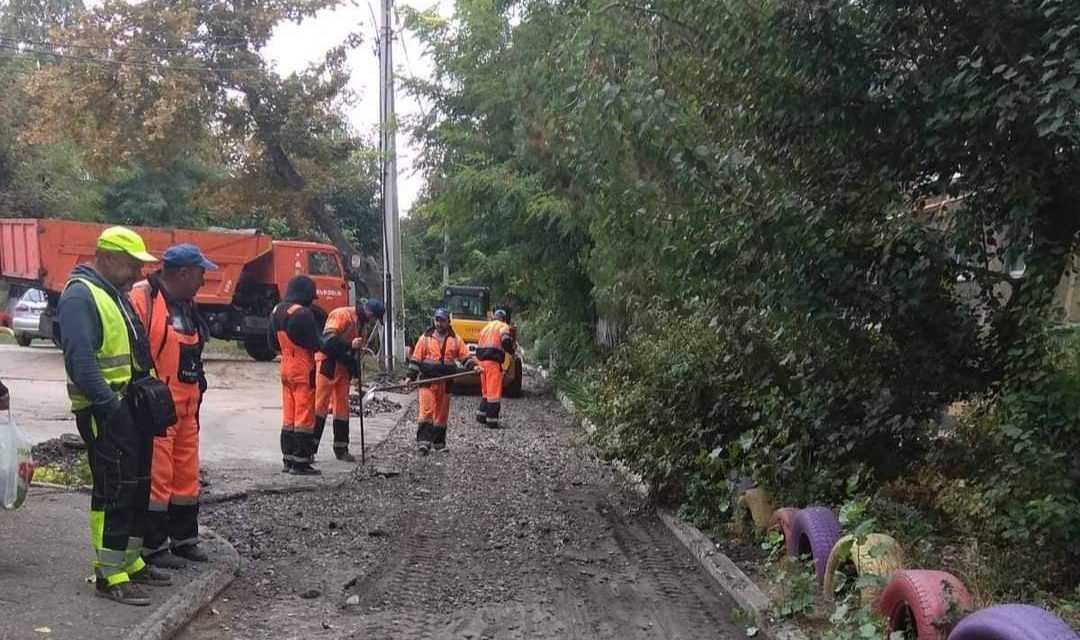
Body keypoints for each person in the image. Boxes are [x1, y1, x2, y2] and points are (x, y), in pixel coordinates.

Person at [57, 226, 170, 606]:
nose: (139, 273)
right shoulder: (80, 296)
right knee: (114, 490)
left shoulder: (113, 294)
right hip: (106, 410)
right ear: (105, 258)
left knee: (136, 485)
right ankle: (110, 574)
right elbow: (81, 361)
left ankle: (131, 560)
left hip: (129, 407)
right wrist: (110, 407)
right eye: (131, 265)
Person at [129, 244, 215, 568]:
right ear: (183, 273)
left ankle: (184, 539)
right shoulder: (144, 299)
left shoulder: (186, 305)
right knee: (158, 478)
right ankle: (153, 546)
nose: (204, 281)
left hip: (187, 409)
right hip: (158, 411)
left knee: (185, 477)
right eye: (201, 273)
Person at [313, 298, 385, 462]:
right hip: (328, 364)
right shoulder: (342, 315)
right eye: (373, 317)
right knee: (320, 406)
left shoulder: (362, 326)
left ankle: (341, 448)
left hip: (343, 368)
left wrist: (356, 372)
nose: (373, 321)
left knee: (342, 408)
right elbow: (327, 341)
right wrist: (349, 345)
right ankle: (309, 449)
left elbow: (355, 353)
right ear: (368, 311)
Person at [269, 276, 322, 475]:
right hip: (302, 366)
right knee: (304, 415)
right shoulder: (303, 314)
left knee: (289, 416)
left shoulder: (276, 311)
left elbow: (272, 344)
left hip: (285, 365)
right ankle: (301, 462)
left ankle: (288, 459)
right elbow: (316, 343)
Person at [405, 308, 476, 454]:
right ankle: (423, 443)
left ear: (448, 322)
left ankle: (438, 443)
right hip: (428, 381)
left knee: (441, 415)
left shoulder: (455, 339)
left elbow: (465, 356)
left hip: (446, 382)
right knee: (427, 411)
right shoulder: (425, 338)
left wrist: (474, 366)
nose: (439, 323)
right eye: (437, 320)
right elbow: (416, 359)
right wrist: (410, 377)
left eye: (442, 320)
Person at [475, 308, 516, 428]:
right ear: (504, 318)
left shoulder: (486, 327)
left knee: (486, 392)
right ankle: (492, 420)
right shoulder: (503, 326)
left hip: (482, 362)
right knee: (494, 394)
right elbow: (505, 340)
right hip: (493, 363)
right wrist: (511, 351)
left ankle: (481, 415)